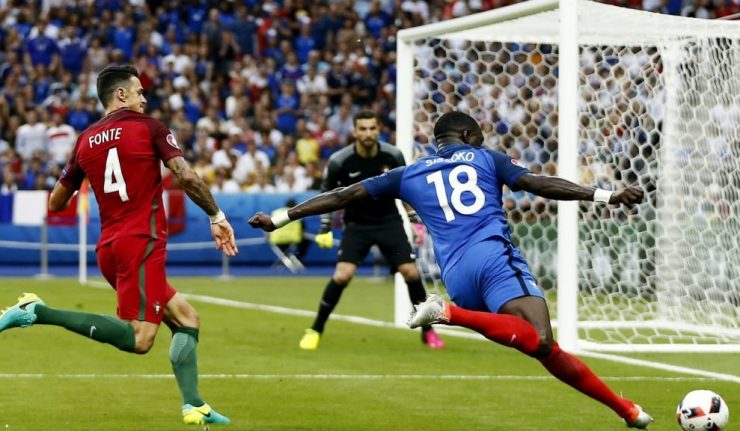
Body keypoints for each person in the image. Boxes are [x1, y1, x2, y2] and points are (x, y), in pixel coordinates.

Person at [248, 111, 653, 428]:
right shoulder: (486, 158)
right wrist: (606, 194)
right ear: (471, 137)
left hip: (456, 275)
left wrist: (282, 218)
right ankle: (448, 314)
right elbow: (538, 183)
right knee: (543, 341)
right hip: (494, 260)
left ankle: (627, 411)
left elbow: (343, 195)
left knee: (542, 347)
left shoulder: (407, 173)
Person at [0, 65, 236, 426]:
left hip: (109, 247)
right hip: (141, 241)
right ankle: (39, 312)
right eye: (139, 92)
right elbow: (185, 175)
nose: (145, 99)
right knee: (141, 339)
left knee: (186, 318)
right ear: (121, 94)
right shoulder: (151, 128)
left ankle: (194, 405)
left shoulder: (84, 140)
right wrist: (217, 217)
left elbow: (55, 203)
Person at [299, 110, 444, 351]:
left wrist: (413, 221)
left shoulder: (393, 155)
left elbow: (405, 189)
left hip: (388, 222)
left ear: (378, 130)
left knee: (410, 273)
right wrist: (325, 226)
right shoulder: (340, 161)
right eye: (363, 129)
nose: (367, 133)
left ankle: (428, 331)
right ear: (354, 132)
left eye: (372, 128)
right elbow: (327, 194)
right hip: (357, 225)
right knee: (342, 275)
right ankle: (315, 329)